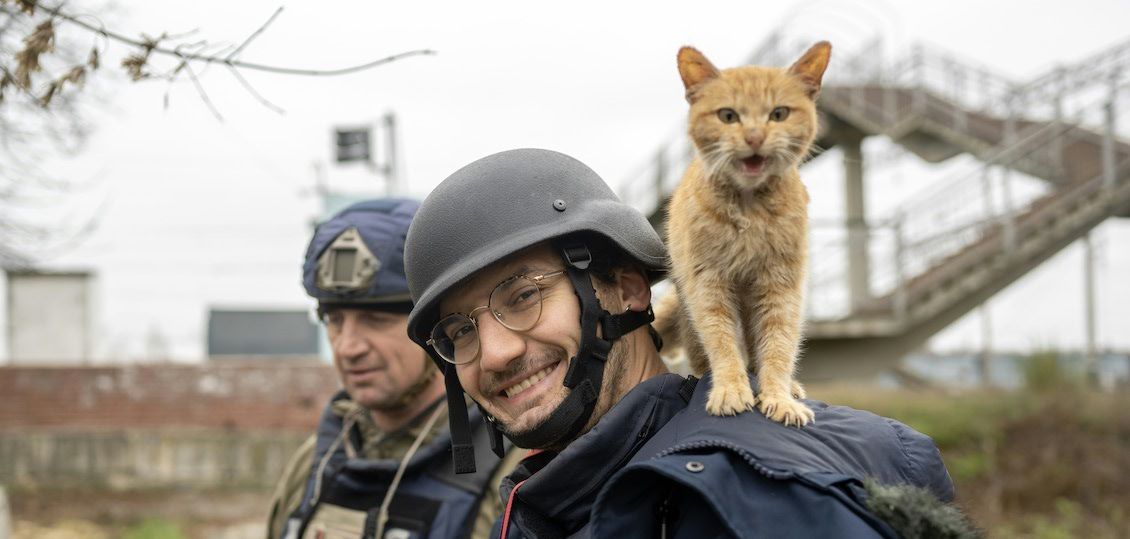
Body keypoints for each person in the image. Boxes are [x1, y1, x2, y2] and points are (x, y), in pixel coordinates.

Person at [402, 149, 965, 538]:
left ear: (625, 290)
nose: (496, 353)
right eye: (461, 332)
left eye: (523, 296)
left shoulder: (754, 499)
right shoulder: (562, 496)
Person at [266, 198, 522, 539]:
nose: (348, 347)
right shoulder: (316, 460)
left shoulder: (510, 467)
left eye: (376, 320)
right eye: (334, 319)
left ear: (436, 328)